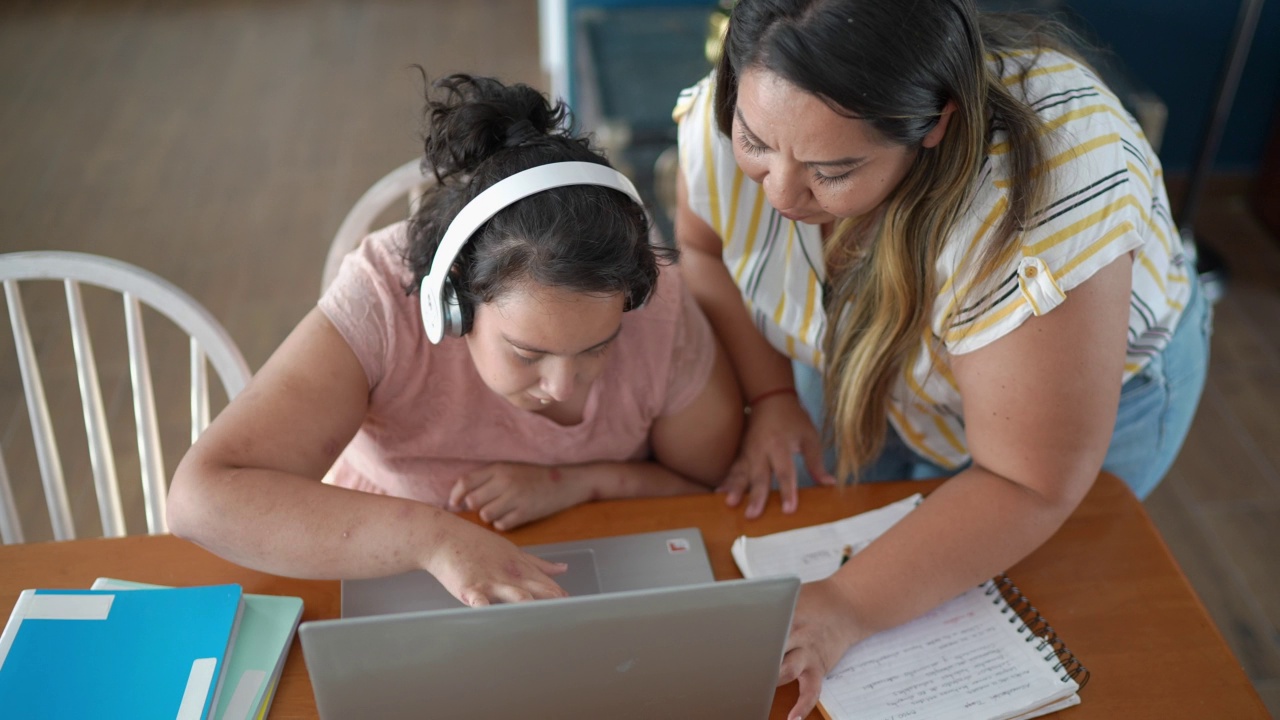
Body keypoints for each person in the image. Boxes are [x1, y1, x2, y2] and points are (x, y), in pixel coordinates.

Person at [673, 1, 1210, 717]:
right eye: (754, 144)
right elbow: (705, 251)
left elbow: (1027, 483)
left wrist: (845, 604)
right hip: (867, 360)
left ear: (935, 124)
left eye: (832, 170)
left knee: (1059, 608)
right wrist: (772, 398)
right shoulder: (765, 98)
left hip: (1064, 407)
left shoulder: (1045, 194)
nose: (778, 194)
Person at [167, 73, 742, 608]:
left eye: (597, 346)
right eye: (528, 352)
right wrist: (435, 538)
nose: (564, 386)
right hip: (389, 567)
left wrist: (579, 483)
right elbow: (202, 500)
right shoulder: (382, 299)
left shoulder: (655, 303)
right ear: (454, 305)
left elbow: (709, 485)